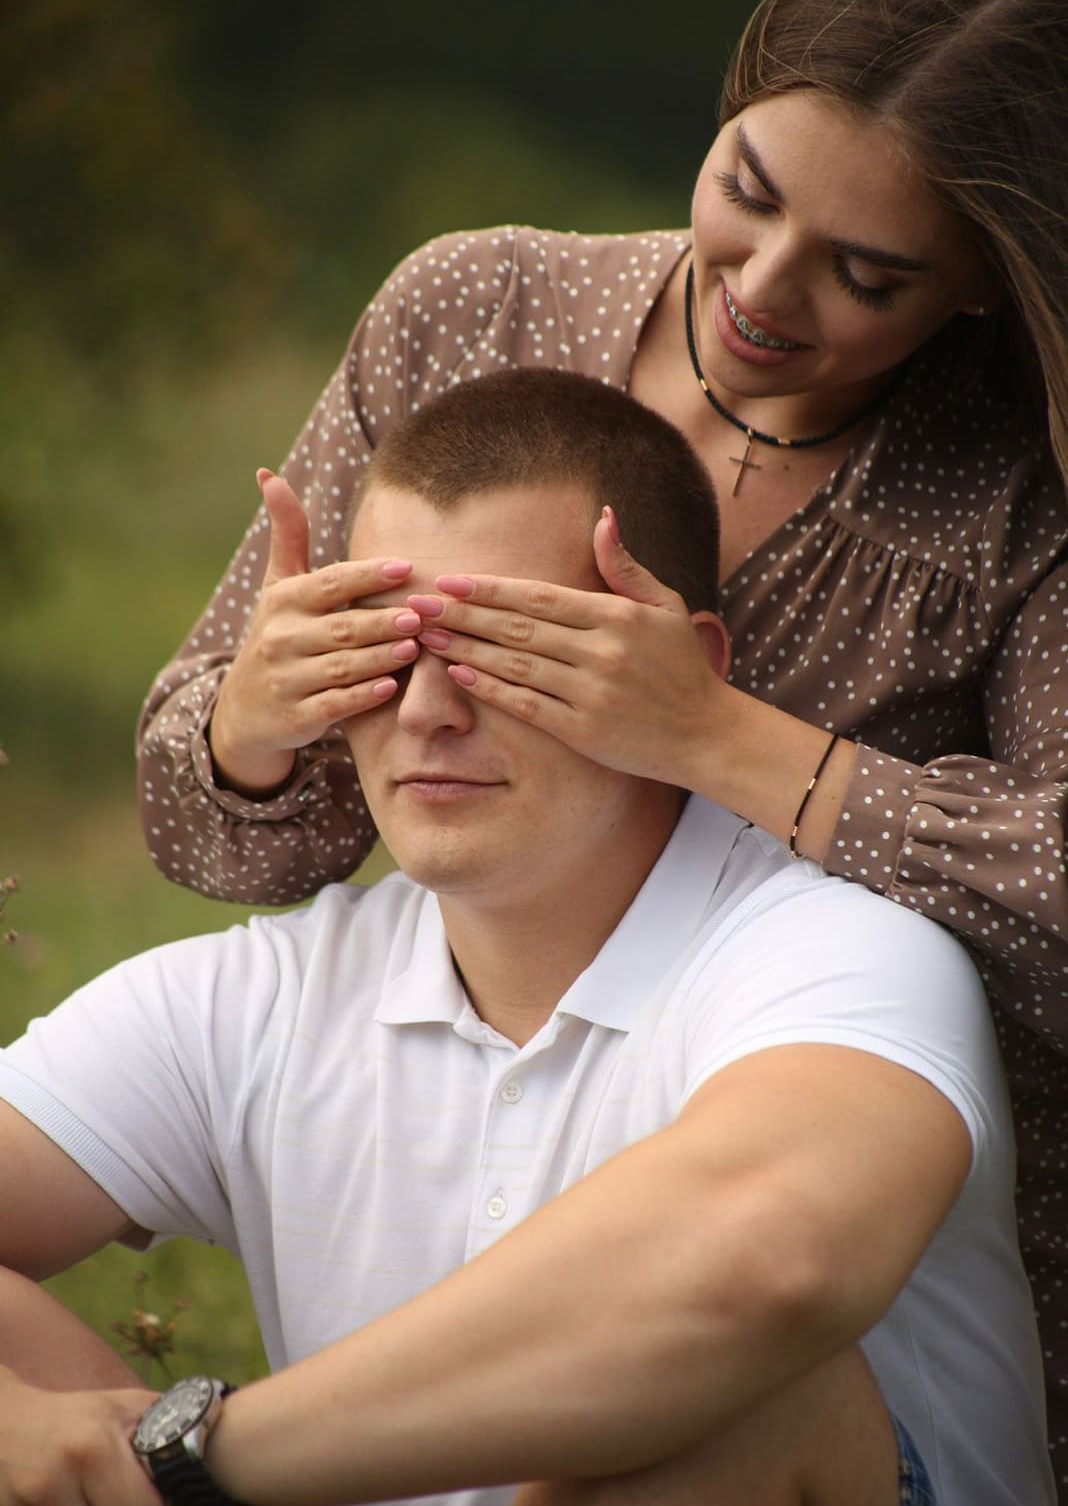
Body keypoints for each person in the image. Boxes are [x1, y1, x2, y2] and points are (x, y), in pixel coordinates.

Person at [135, 0, 1068, 1485]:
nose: (765, 288)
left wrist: (724, 741)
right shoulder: (471, 314)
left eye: (867, 273)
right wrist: (254, 726)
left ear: (983, 282)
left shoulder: (1022, 484)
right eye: (746, 191)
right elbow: (218, 842)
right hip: (476, 1155)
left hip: (865, 1263)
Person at [0, 369, 1054, 1505]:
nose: (426, 711)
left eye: (503, 649)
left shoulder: (844, 951)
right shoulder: (261, 994)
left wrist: (197, 1458)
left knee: (751, 1402)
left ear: (684, 671)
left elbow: (771, 1260)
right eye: (379, 651)